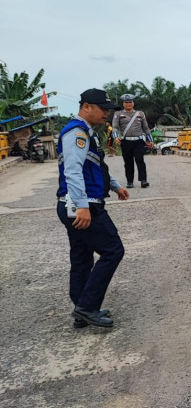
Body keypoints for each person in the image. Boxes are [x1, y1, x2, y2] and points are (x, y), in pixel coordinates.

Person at [56, 88, 129, 329]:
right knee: (113, 250)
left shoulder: (87, 133)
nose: (106, 114)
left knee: (82, 257)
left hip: (77, 203)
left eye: (108, 110)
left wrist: (116, 186)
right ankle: (87, 306)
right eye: (103, 109)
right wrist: (82, 206)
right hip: (82, 204)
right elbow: (73, 171)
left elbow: (98, 167)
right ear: (86, 106)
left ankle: (81, 310)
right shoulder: (76, 132)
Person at [112, 93, 153, 188]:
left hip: (138, 141)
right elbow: (115, 127)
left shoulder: (140, 114)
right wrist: (115, 137)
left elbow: (146, 128)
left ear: (133, 103)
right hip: (126, 142)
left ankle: (143, 180)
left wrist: (150, 140)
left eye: (130, 102)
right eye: (126, 102)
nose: (128, 104)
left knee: (140, 160)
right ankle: (130, 181)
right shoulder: (118, 114)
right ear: (123, 104)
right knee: (128, 162)